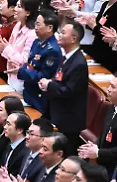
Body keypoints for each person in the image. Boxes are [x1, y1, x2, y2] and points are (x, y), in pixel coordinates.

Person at [43, 21, 89, 154]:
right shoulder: (66, 58)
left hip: (69, 122)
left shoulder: (79, 63)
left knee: (65, 156)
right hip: (58, 114)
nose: (59, 35)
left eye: (63, 33)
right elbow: (59, 80)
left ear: (73, 38)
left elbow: (68, 91)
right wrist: (48, 83)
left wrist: (49, 85)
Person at [80, 72, 117, 175]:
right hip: (102, 160)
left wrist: (97, 152)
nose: (108, 89)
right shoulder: (113, 105)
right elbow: (104, 133)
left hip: (114, 168)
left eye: (112, 87)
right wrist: (93, 146)